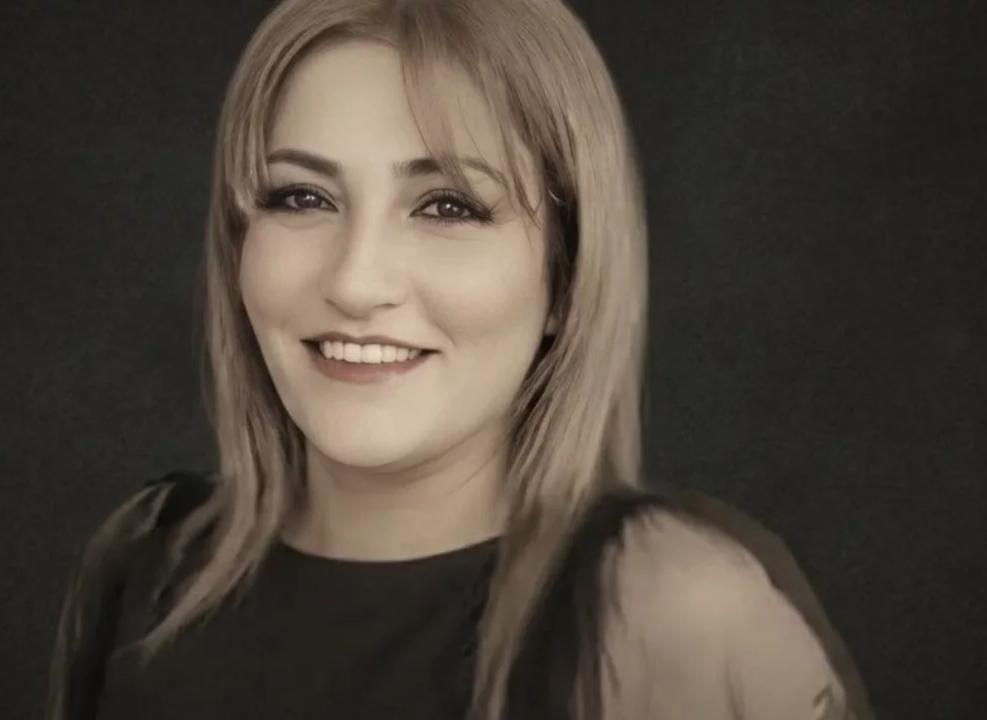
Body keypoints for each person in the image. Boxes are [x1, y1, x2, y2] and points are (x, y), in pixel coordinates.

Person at [46, 0, 874, 718]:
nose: (355, 281)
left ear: (566, 277)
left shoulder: (674, 612)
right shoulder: (145, 568)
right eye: (302, 197)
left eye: (447, 206)